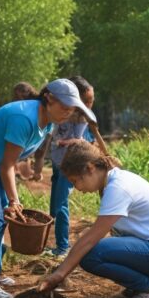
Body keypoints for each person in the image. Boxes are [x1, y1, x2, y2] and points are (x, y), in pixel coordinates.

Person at [0, 79, 93, 298]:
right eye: (65, 107)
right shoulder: (24, 118)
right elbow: (7, 165)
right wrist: (14, 199)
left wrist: (19, 189)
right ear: (48, 98)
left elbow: (21, 154)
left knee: (2, 217)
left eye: (72, 108)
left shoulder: (48, 121)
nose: (68, 113)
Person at [37, 141, 149, 298]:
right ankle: (147, 281)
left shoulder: (118, 188)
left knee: (91, 255)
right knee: (97, 246)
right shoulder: (114, 180)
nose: (76, 188)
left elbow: (91, 239)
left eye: (75, 181)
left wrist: (59, 274)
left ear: (90, 168)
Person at [33, 76, 96, 257]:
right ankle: (57, 246)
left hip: (69, 165)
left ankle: (62, 247)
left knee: (60, 206)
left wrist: (64, 141)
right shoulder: (61, 111)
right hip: (57, 161)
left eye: (91, 101)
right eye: (87, 101)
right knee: (55, 207)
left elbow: (80, 141)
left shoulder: (82, 117)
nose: (89, 104)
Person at [11, 82, 39, 181]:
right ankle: (16, 171)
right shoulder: (31, 106)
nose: (14, 98)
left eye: (15, 95)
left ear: (20, 94)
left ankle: (17, 172)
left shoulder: (27, 108)